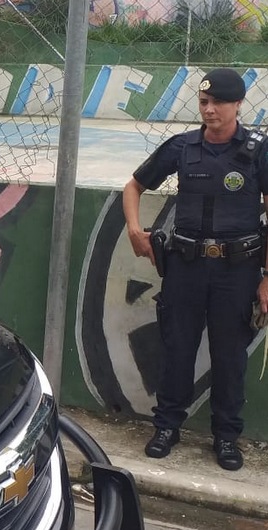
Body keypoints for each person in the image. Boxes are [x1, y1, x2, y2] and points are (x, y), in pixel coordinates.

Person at [122, 67, 268, 471]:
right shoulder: (182, 147)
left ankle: (226, 436)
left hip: (238, 271)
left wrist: (267, 279)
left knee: (229, 356)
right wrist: (134, 229)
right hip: (186, 266)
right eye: (204, 102)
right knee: (177, 349)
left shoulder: (259, 151)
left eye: (218, 102)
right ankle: (167, 427)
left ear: (238, 104)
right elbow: (134, 186)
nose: (209, 109)